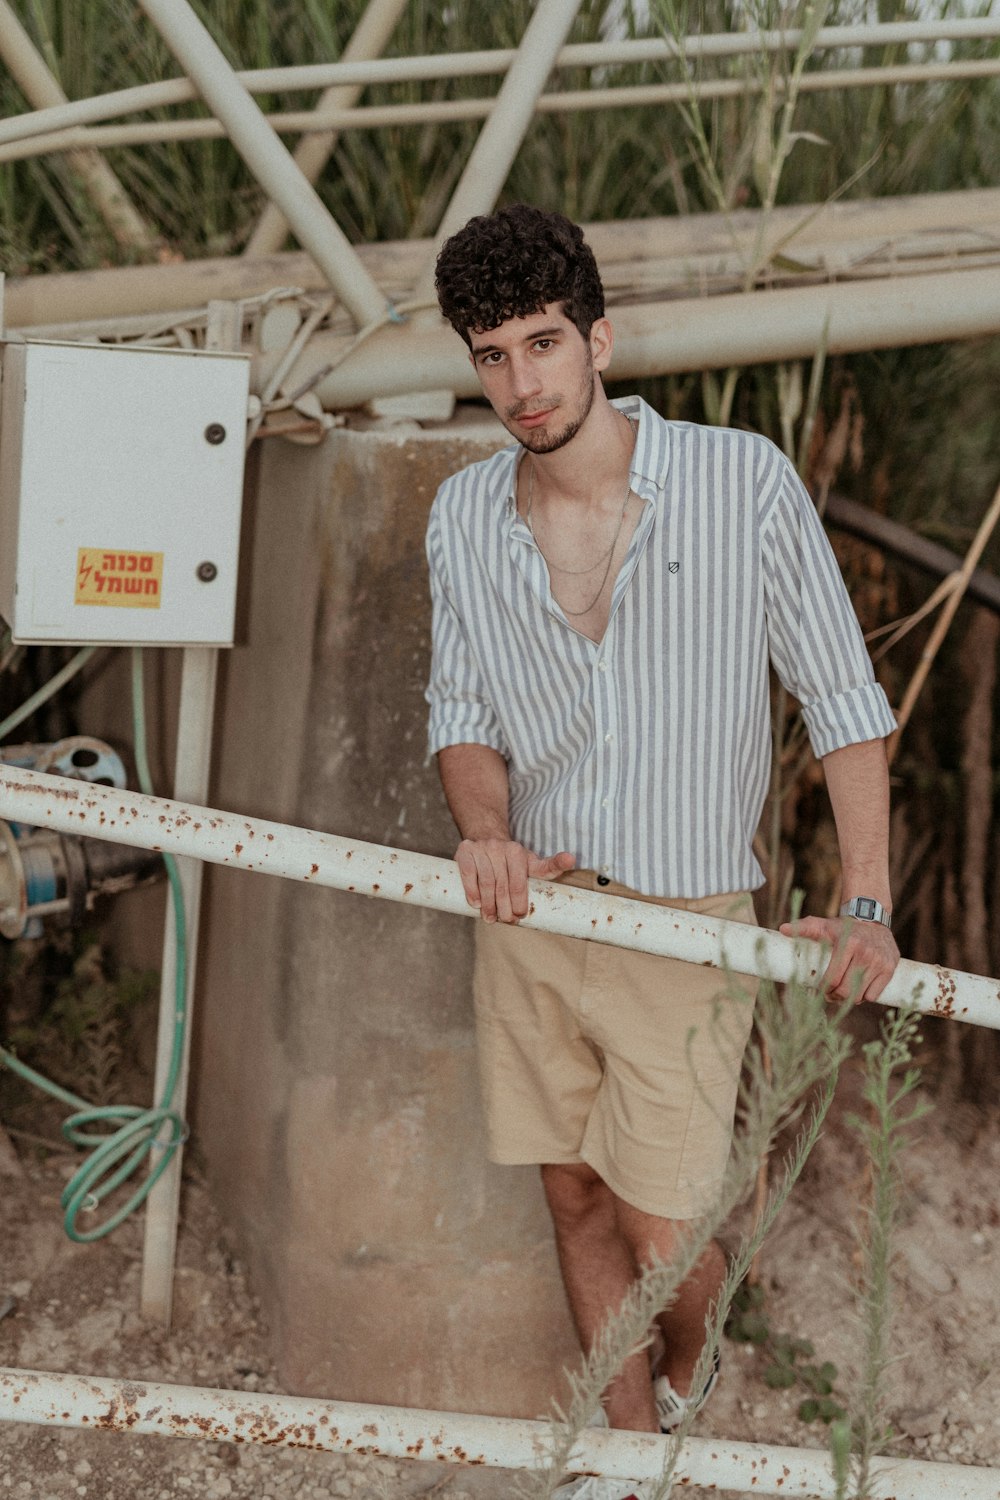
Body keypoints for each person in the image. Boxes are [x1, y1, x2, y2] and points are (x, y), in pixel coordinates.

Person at [424, 204, 899, 1500]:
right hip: (536, 912)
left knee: (672, 1226)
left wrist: (866, 902)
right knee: (573, 1198)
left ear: (601, 339)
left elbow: (843, 702)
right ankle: (628, 1457)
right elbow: (459, 711)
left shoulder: (741, 481)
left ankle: (686, 1366)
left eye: (542, 344)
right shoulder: (463, 518)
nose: (522, 383)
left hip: (690, 920)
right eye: (493, 356)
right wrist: (488, 837)